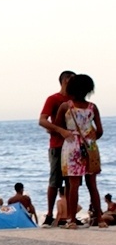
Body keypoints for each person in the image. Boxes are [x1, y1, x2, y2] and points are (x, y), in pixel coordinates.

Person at [54, 73, 105, 229]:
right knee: (92, 184)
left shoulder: (66, 106)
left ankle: (72, 221)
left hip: (71, 146)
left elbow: (57, 127)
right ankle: (100, 219)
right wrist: (89, 136)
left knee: (73, 184)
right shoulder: (92, 107)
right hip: (89, 146)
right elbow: (100, 131)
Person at [39, 70, 76, 227]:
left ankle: (69, 216)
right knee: (55, 180)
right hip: (57, 145)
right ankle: (49, 215)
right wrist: (59, 130)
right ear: (66, 80)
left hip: (73, 145)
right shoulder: (54, 99)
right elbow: (42, 120)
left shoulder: (75, 99)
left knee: (71, 181)